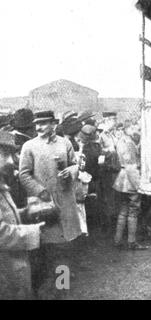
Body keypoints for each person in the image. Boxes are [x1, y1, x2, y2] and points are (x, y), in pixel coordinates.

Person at [19, 110, 82, 298]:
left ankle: (62, 291)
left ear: (53, 124)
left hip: (66, 206)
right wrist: (40, 191)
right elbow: (23, 174)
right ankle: (39, 293)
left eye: (44, 123)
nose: (39, 127)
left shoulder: (65, 143)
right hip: (43, 207)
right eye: (37, 124)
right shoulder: (29, 146)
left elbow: (75, 165)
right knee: (42, 255)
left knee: (64, 254)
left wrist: (71, 171)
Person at [0, 131, 45, 299]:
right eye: (5, 154)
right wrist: (34, 232)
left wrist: (26, 213)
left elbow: (5, 216)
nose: (11, 161)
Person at [112, 121, 148, 250]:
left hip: (122, 179)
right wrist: (139, 185)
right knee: (133, 211)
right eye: (133, 128)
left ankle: (117, 239)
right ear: (127, 129)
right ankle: (131, 241)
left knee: (123, 211)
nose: (135, 130)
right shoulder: (129, 143)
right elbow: (132, 166)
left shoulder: (121, 141)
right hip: (130, 179)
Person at [98, 111, 120, 234]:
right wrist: (108, 151)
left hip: (115, 170)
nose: (115, 122)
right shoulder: (101, 136)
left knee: (114, 197)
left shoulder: (113, 135)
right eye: (113, 120)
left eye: (115, 120)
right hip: (107, 171)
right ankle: (107, 225)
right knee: (108, 198)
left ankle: (113, 223)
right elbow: (98, 154)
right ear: (106, 121)